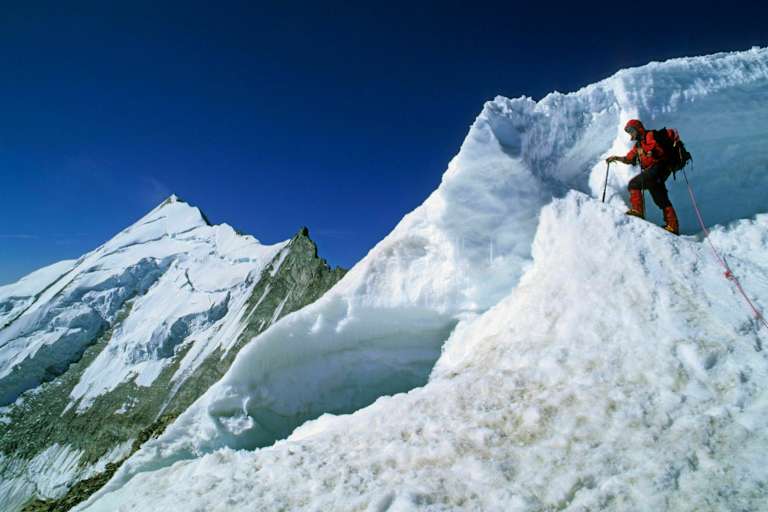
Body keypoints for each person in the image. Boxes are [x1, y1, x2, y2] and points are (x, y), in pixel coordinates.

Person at [606, 119, 679, 235]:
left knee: (634, 184)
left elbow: (658, 149)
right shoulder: (638, 145)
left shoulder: (650, 136)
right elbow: (629, 159)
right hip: (657, 172)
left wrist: (649, 153)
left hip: (659, 167)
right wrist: (616, 158)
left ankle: (637, 211)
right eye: (629, 132)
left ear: (638, 129)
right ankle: (673, 226)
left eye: (631, 131)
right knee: (661, 199)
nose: (630, 134)